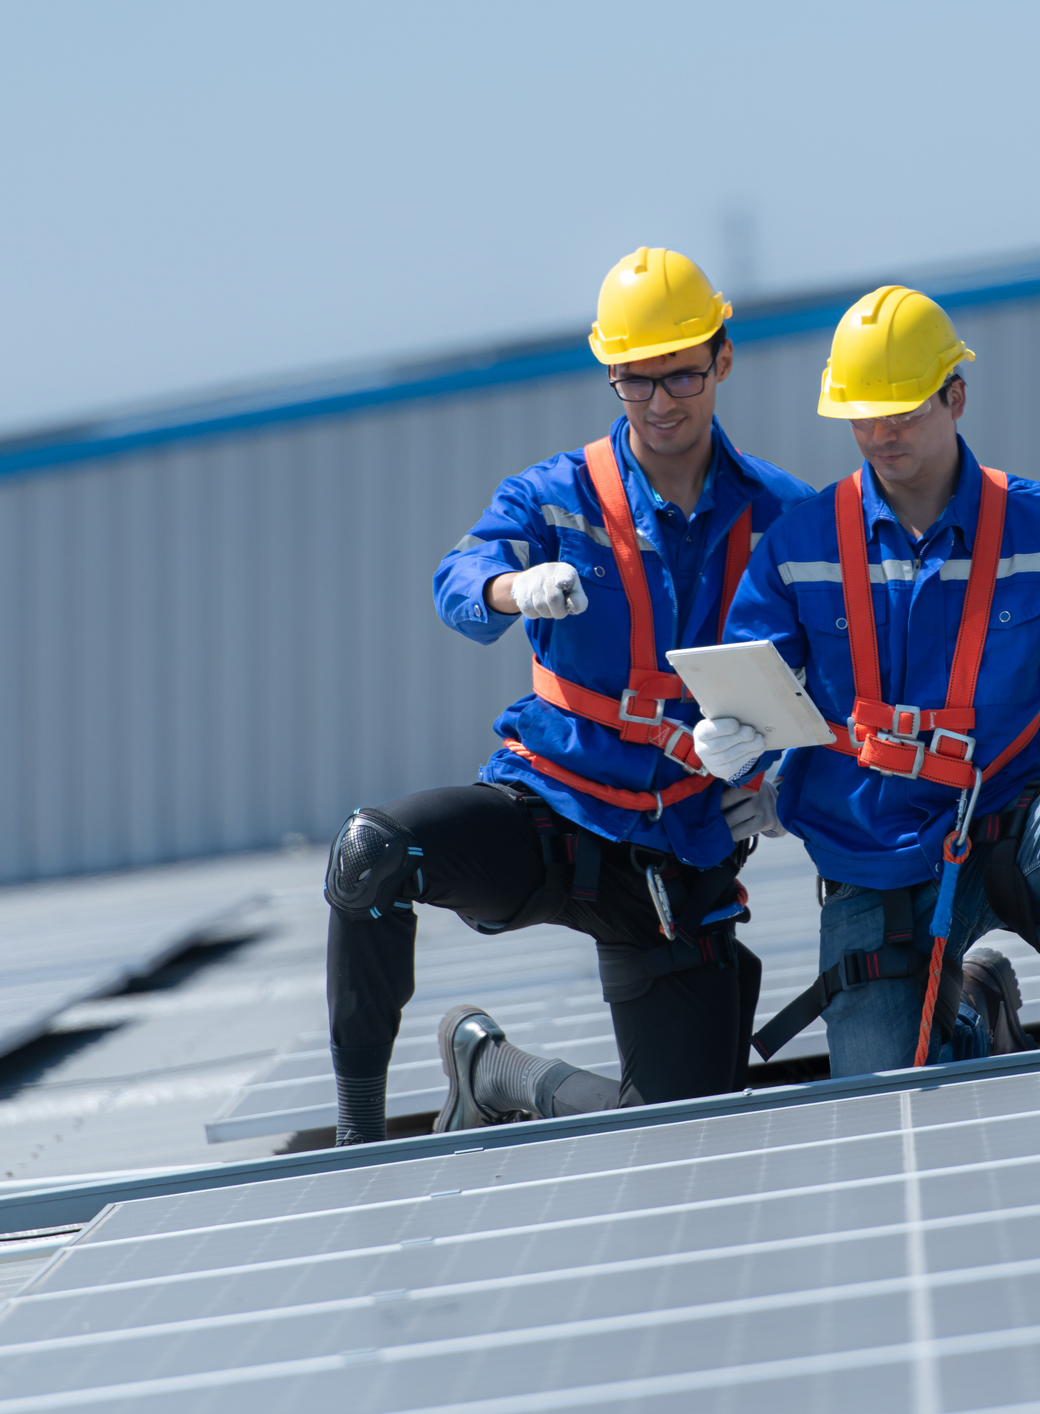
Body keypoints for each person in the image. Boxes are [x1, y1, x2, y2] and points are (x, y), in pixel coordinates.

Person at [321, 248, 813, 1143]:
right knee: (371, 857)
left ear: (723, 359)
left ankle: (494, 1072)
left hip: (677, 851)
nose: (660, 403)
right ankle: (359, 1136)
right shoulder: (556, 495)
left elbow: (838, 675)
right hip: (548, 809)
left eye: (680, 376)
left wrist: (783, 782)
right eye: (633, 381)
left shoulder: (784, 518)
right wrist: (513, 588)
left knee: (684, 1129)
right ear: (609, 373)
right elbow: (460, 577)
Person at [720, 285, 1040, 1076]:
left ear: (956, 397)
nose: (881, 433)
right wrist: (736, 742)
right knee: (888, 1093)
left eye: (903, 410)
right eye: (863, 415)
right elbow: (750, 680)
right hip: (871, 849)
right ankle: (975, 1010)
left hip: (1012, 820)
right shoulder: (799, 545)